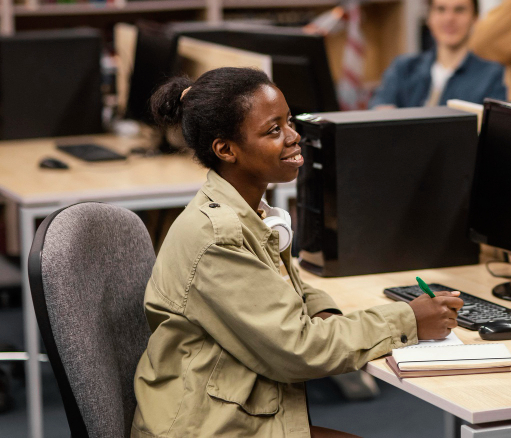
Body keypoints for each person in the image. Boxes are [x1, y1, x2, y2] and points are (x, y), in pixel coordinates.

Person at [132, 67, 463, 438]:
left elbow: (280, 283)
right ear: (226, 149)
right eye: (273, 130)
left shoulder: (246, 209)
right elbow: (298, 350)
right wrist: (409, 320)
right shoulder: (217, 238)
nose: (294, 137)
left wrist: (321, 308)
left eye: (289, 122)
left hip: (233, 410)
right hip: (206, 428)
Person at [369, 0, 506, 108]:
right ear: (429, 17)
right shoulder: (403, 69)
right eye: (441, 9)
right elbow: (379, 110)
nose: (449, 18)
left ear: (475, 18)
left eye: (459, 10)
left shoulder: (492, 76)